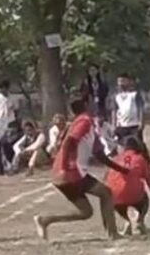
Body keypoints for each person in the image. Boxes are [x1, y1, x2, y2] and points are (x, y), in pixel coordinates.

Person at [34, 99, 129, 241]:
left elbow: (100, 155)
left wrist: (122, 169)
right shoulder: (85, 121)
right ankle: (112, 233)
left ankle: (44, 220)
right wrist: (64, 167)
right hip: (71, 172)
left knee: (86, 212)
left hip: (63, 174)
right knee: (106, 193)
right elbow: (69, 141)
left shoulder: (87, 125)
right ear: (86, 105)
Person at [105, 137, 150, 235]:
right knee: (145, 198)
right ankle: (140, 220)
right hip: (134, 195)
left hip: (116, 197)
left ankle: (126, 220)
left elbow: (107, 181)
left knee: (114, 195)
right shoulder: (140, 159)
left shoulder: (115, 159)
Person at [112, 74, 146, 146]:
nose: (121, 83)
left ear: (128, 81)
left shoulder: (134, 94)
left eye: (123, 81)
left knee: (137, 145)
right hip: (122, 126)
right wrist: (114, 124)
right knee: (123, 146)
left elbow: (141, 108)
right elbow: (114, 111)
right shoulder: (116, 96)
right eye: (119, 81)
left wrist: (141, 122)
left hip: (134, 125)